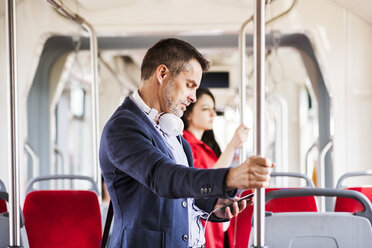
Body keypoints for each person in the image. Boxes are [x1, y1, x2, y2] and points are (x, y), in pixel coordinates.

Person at [99, 38, 273, 248]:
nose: (192, 97)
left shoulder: (173, 133)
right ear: (162, 74)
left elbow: (184, 197)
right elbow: (162, 177)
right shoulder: (123, 127)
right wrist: (229, 177)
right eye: (190, 85)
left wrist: (214, 205)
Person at [181, 87, 249, 248]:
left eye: (213, 109)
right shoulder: (185, 146)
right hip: (201, 226)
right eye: (206, 109)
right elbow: (205, 182)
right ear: (188, 114)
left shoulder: (207, 148)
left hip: (214, 223)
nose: (213, 114)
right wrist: (232, 146)